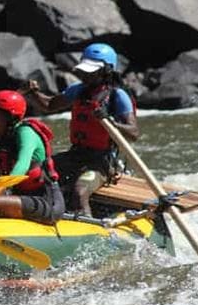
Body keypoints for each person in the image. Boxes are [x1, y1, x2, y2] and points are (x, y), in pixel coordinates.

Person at [24, 42, 139, 216]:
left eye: (90, 71)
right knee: (34, 172)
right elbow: (49, 105)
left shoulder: (117, 96)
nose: (85, 74)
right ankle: (31, 209)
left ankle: (87, 229)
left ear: (106, 70)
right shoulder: (78, 90)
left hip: (101, 163)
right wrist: (32, 93)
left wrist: (110, 122)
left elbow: (133, 133)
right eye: (84, 70)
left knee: (79, 192)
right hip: (76, 155)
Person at [0, 90, 65, 223]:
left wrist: (2, 186)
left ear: (11, 118)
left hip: (47, 202)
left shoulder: (26, 133)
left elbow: (22, 164)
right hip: (21, 198)